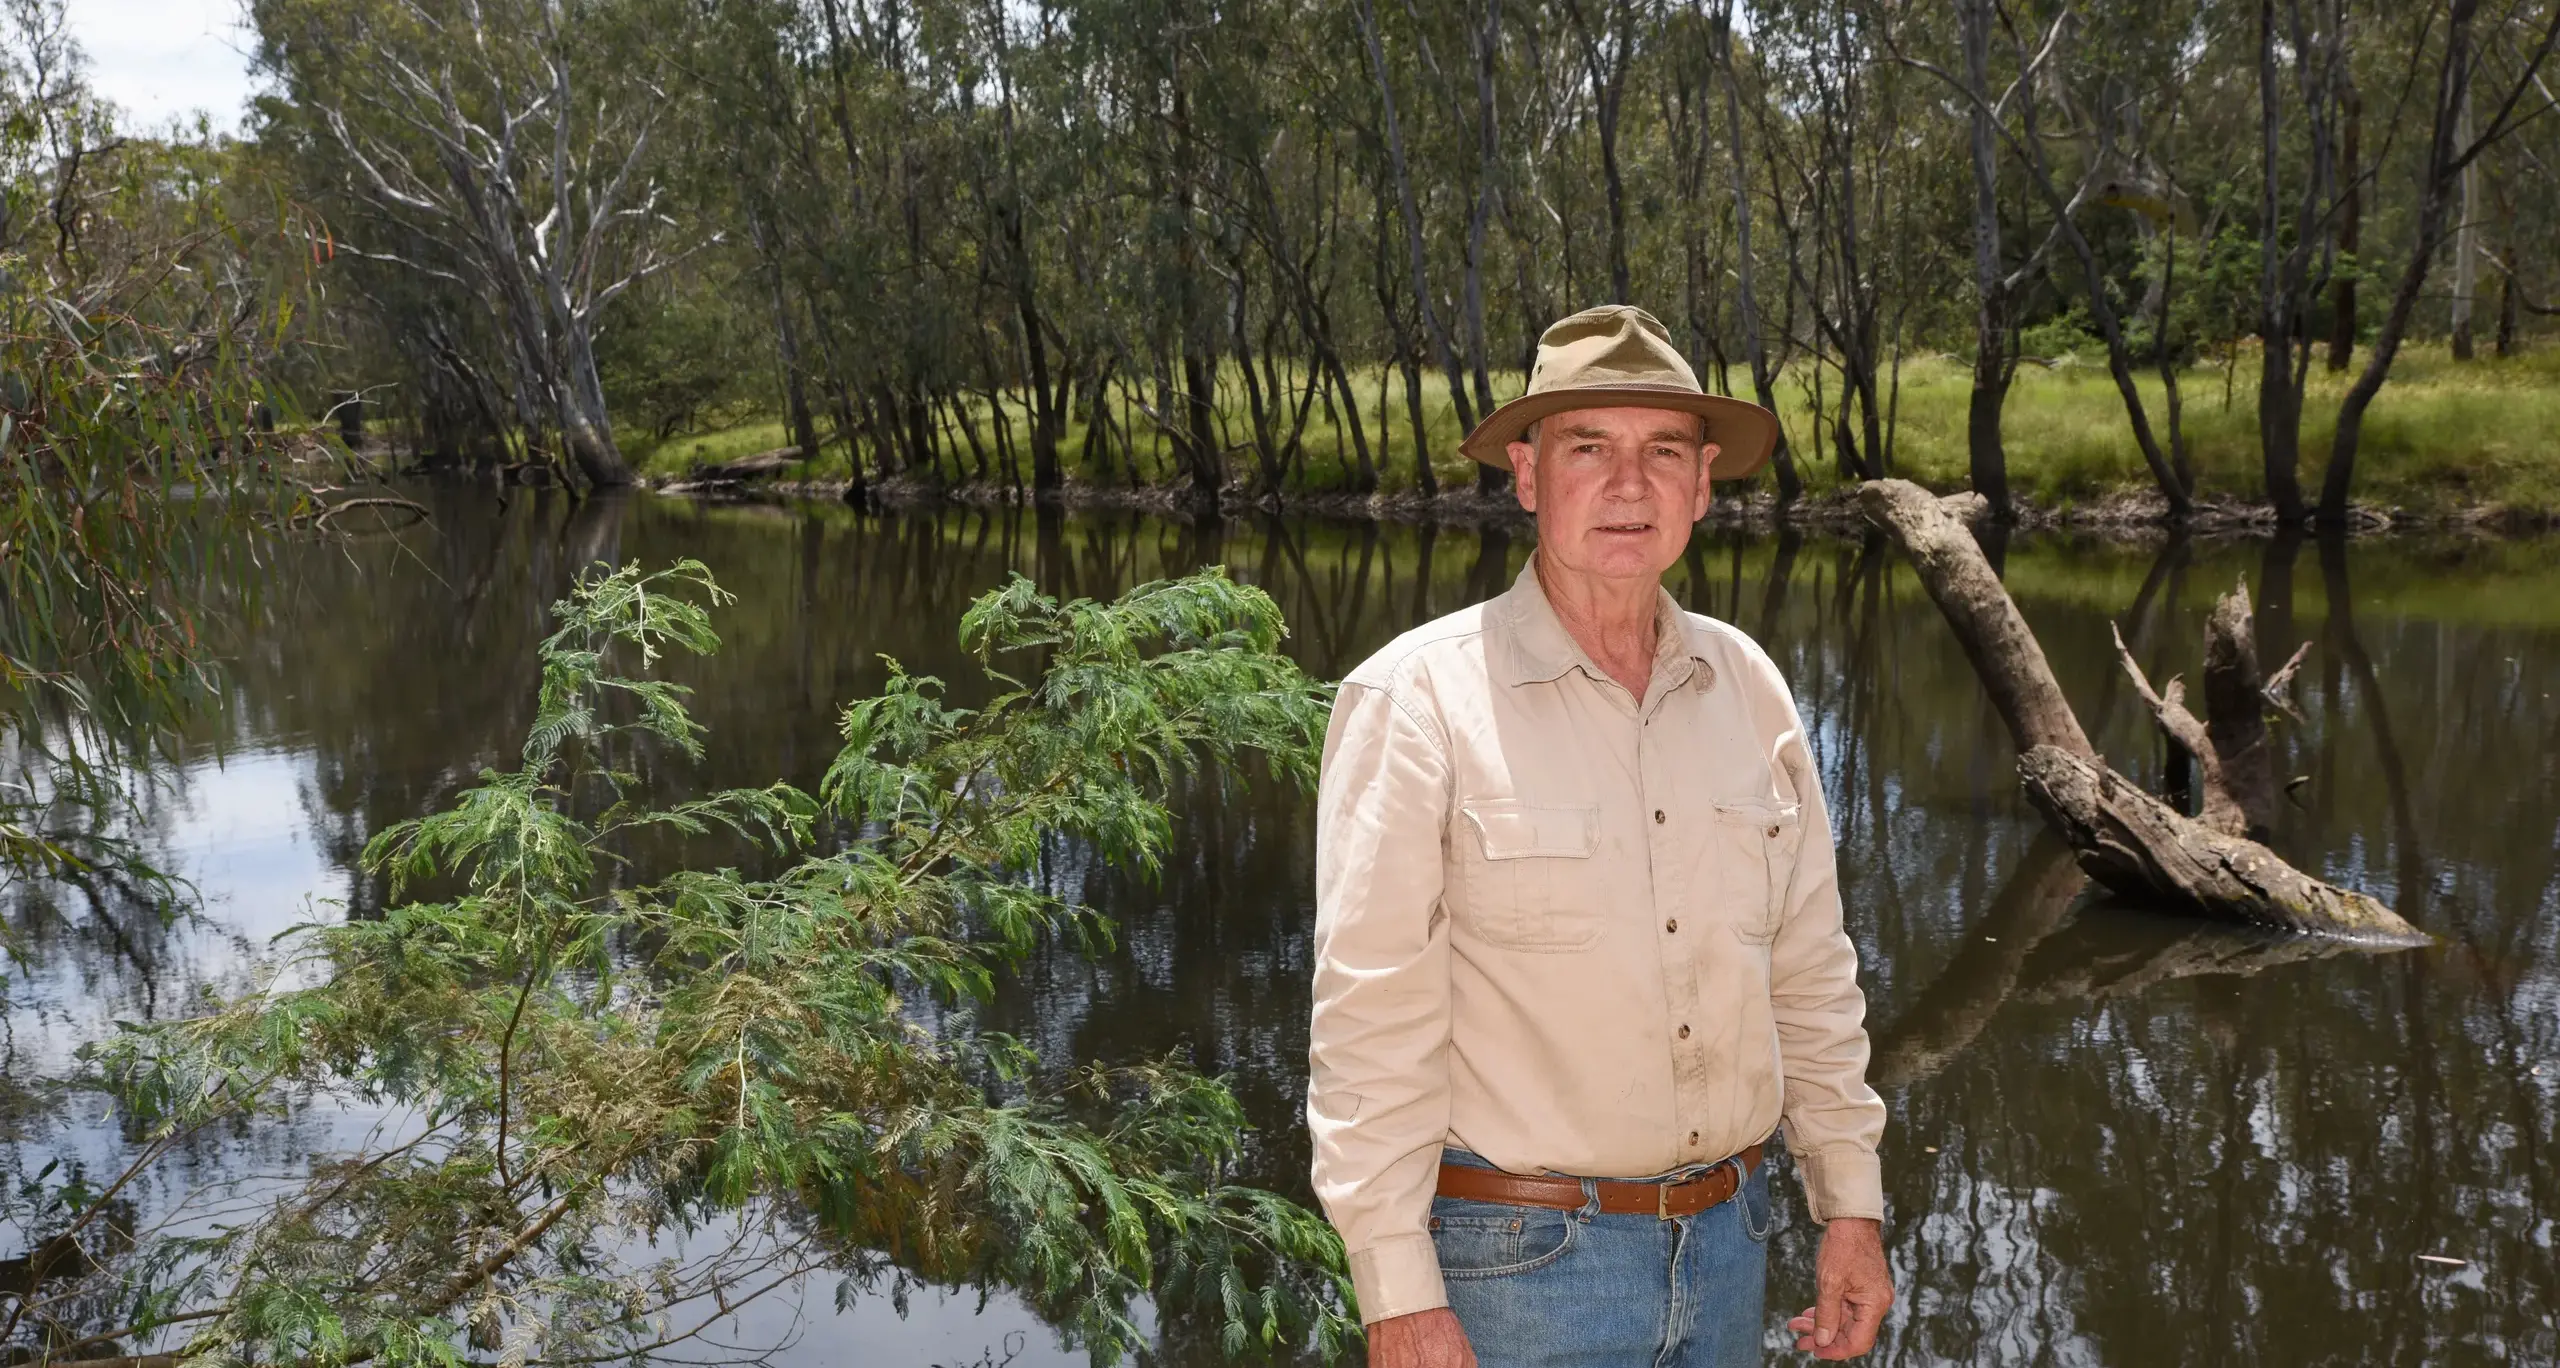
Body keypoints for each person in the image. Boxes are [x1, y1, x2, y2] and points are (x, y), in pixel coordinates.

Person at [1306, 305, 1892, 1368]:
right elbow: (1369, 1023)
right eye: (1588, 448)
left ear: (1702, 483)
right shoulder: (1416, 700)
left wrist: (1850, 1204)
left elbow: (1811, 972)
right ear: (1528, 476)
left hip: (1732, 1247)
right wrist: (1397, 1293)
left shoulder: (1750, 688)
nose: (1629, 486)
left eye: (1662, 451)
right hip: (1517, 1270)